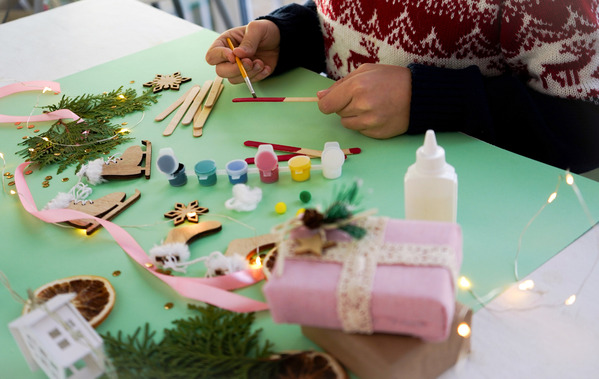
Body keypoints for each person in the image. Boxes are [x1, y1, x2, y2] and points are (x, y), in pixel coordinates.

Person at [205, 1, 599, 174]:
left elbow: (585, 129)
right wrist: (292, 36)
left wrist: (426, 99)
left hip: (465, 210)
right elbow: (354, 22)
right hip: (358, 177)